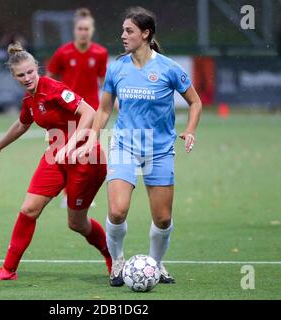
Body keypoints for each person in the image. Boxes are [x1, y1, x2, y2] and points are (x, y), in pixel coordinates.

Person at [75, 7, 203, 286]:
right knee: (117, 211)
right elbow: (104, 109)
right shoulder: (117, 68)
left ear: (145, 34)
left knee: (163, 218)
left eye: (129, 31)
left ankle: (156, 264)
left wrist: (190, 130)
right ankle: (118, 260)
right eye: (123, 30)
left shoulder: (168, 68)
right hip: (124, 146)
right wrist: (94, 136)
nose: (123, 35)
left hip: (159, 149)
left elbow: (195, 101)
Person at [0, 42, 111, 281]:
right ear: (14, 76)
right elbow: (21, 124)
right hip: (56, 156)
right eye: (21, 75)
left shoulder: (52, 87)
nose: (27, 77)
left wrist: (71, 145)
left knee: (77, 223)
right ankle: (8, 270)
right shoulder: (29, 100)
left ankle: (112, 257)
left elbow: (89, 112)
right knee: (29, 209)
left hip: (86, 157)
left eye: (30, 72)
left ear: (37, 68)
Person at [46, 8, 108, 208]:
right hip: (68, 111)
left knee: (88, 153)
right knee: (65, 151)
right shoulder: (63, 53)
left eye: (86, 29)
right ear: (75, 30)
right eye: (80, 28)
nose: (83, 32)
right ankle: (67, 194)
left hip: (93, 111)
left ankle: (83, 194)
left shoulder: (100, 53)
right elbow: (50, 78)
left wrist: (113, 103)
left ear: (92, 30)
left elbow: (104, 82)